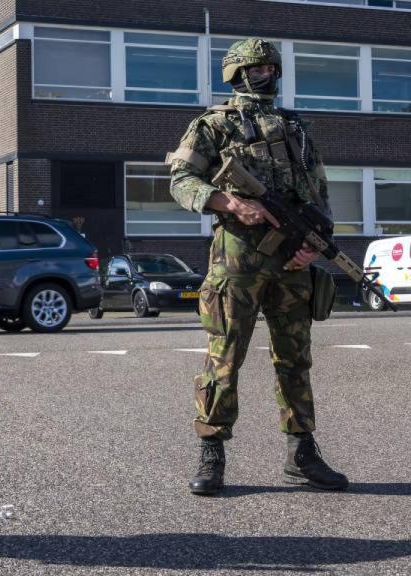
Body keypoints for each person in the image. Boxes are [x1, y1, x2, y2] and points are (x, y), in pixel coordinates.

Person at [167, 38, 348, 497]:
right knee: (224, 360)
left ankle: (302, 453)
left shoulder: (296, 127)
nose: (266, 75)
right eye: (256, 68)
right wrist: (228, 202)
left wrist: (317, 244)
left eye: (271, 67)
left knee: (295, 361)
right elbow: (180, 181)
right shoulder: (213, 125)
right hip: (237, 262)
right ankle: (212, 452)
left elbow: (318, 193)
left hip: (292, 264)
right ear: (236, 74)